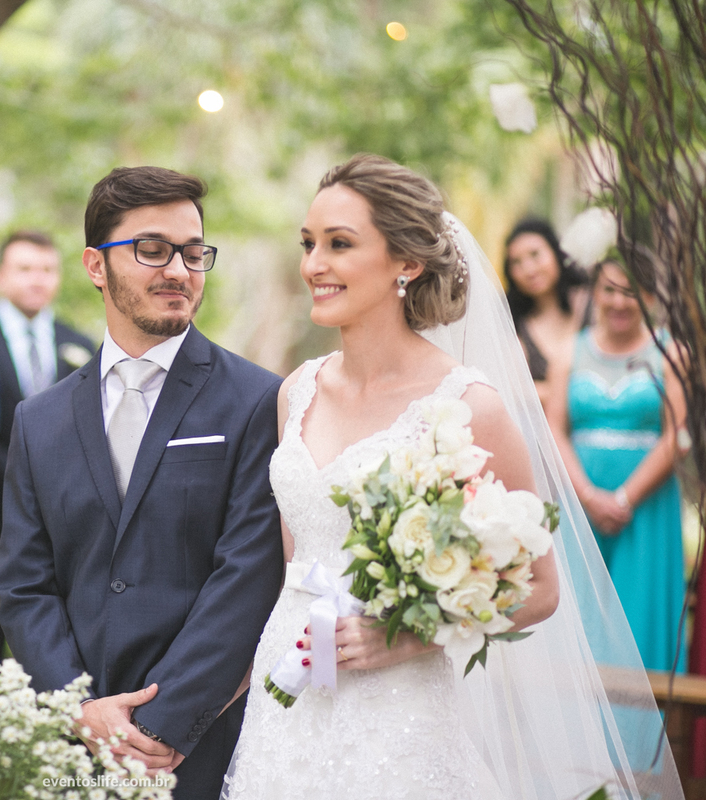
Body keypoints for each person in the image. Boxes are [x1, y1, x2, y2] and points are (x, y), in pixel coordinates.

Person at [224, 155, 679, 799]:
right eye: (308, 244)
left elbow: (541, 588)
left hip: (398, 712)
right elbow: (295, 563)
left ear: (406, 263)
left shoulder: (470, 404)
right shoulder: (297, 392)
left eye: (339, 244)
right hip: (291, 691)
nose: (312, 266)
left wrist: (407, 634)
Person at [0, 166, 284, 799]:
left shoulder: (259, 401)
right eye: (152, 250)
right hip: (75, 746)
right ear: (96, 267)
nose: (179, 270)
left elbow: (248, 576)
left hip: (205, 743)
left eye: (192, 252)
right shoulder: (37, 420)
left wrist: (161, 726)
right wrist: (80, 709)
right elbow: (23, 584)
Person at [546, 257, 687, 672]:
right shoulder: (567, 352)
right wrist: (589, 498)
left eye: (632, 292)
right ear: (595, 294)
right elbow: (555, 429)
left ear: (649, 297)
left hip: (646, 507)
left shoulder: (670, 351)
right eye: (610, 290)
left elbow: (676, 434)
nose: (620, 301)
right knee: (580, 619)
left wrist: (625, 499)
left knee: (638, 617)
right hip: (579, 504)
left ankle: (639, 733)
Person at [0, 230, 95, 654]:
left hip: (63, 506)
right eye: (24, 269)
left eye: (47, 270)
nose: (36, 280)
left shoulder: (80, 344)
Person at [503, 218, 586, 409]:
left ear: (556, 252)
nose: (529, 269)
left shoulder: (593, 304)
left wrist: (545, 391)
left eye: (535, 255)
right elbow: (515, 391)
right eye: (517, 262)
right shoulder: (515, 325)